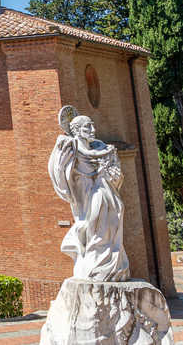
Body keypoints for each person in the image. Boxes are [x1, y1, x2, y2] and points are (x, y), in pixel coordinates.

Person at [48, 106, 130, 281]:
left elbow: (115, 174)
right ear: (76, 130)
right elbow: (58, 170)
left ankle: (109, 262)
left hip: (104, 190)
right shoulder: (70, 148)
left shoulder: (103, 148)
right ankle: (95, 262)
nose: (93, 130)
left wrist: (113, 172)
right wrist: (60, 164)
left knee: (112, 217)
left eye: (92, 126)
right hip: (85, 194)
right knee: (93, 222)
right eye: (87, 127)